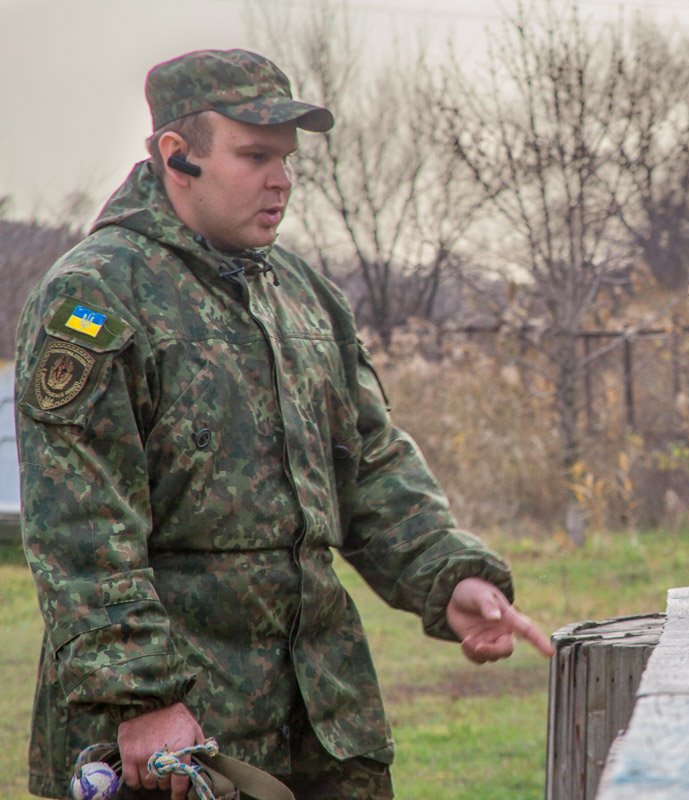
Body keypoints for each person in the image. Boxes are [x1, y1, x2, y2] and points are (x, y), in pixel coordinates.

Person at [15, 48, 553, 800]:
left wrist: (447, 575)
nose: (282, 179)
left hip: (326, 727)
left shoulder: (305, 298)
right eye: (255, 155)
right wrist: (139, 698)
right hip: (180, 744)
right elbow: (80, 529)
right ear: (179, 157)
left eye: (287, 159)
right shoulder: (98, 297)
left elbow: (369, 467)